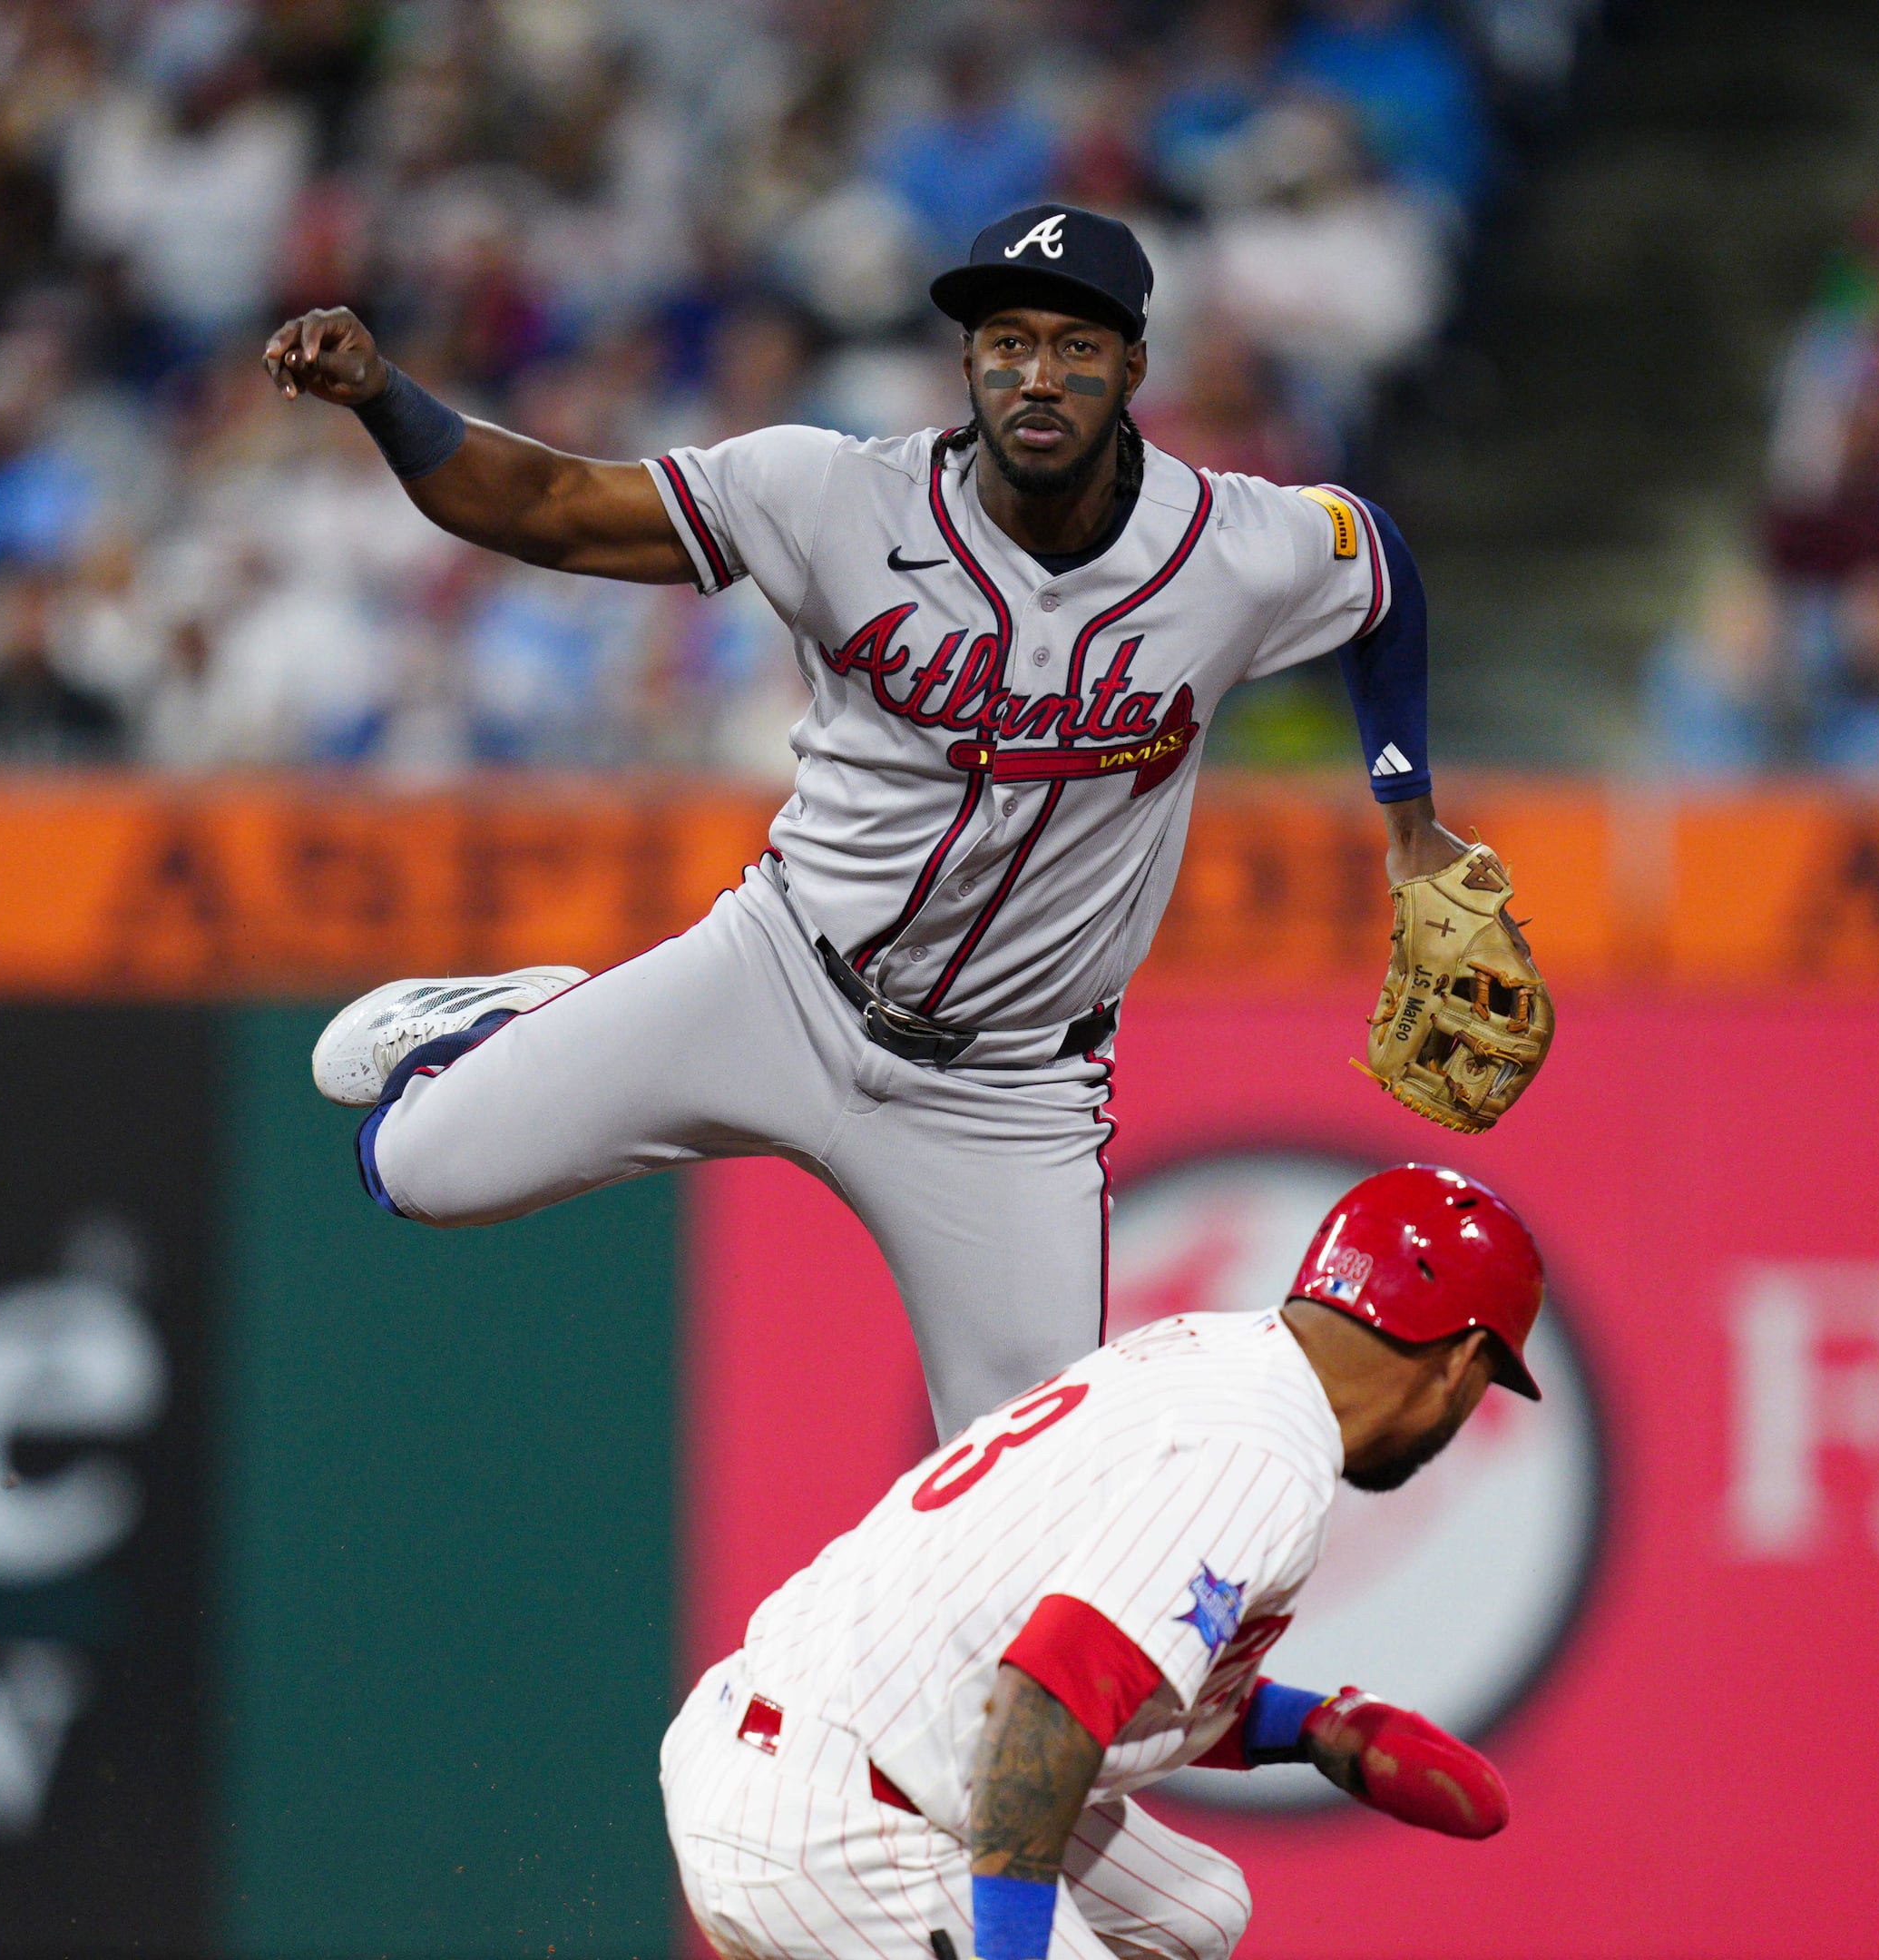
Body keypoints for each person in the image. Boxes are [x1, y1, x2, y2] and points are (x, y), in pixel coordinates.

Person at [259, 205, 1492, 1436]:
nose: (1038, 373)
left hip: (1010, 1091)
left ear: (1133, 367)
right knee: (416, 1173)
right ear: (968, 363)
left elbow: (1377, 569)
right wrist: (386, 399)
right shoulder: (832, 494)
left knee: (1028, 1507)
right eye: (1007, 341)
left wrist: (1411, 819)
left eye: (1076, 344)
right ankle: (505, 1019)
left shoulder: (1232, 547)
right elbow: (550, 505)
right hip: (779, 978)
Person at [661, 1165, 1532, 1960]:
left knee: (1198, 1913)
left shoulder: (1212, 1349)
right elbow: (1045, 1707)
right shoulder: (1263, 1459)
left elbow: (1102, 1663)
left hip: (791, 1729)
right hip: (842, 1823)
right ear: (1460, 1365)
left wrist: (1305, 1728)